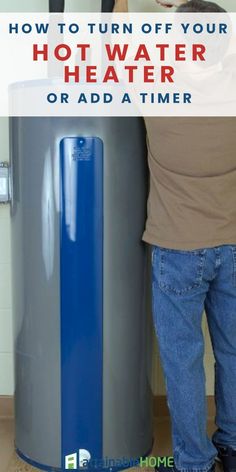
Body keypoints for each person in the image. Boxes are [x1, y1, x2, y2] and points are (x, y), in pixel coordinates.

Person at [112, 1, 236, 472]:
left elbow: (118, 39)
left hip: (177, 250)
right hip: (233, 243)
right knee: (232, 352)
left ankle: (194, 462)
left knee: (183, 362)